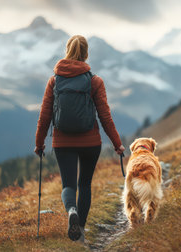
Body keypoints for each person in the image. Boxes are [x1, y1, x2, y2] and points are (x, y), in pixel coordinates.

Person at [35, 35, 125, 242]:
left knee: (68, 185)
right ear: (85, 53)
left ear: (67, 50)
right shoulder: (94, 81)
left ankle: (71, 211)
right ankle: (80, 232)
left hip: (62, 141)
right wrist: (117, 144)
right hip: (90, 142)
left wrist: (39, 143)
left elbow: (45, 116)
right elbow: (105, 116)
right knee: (84, 184)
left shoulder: (54, 80)